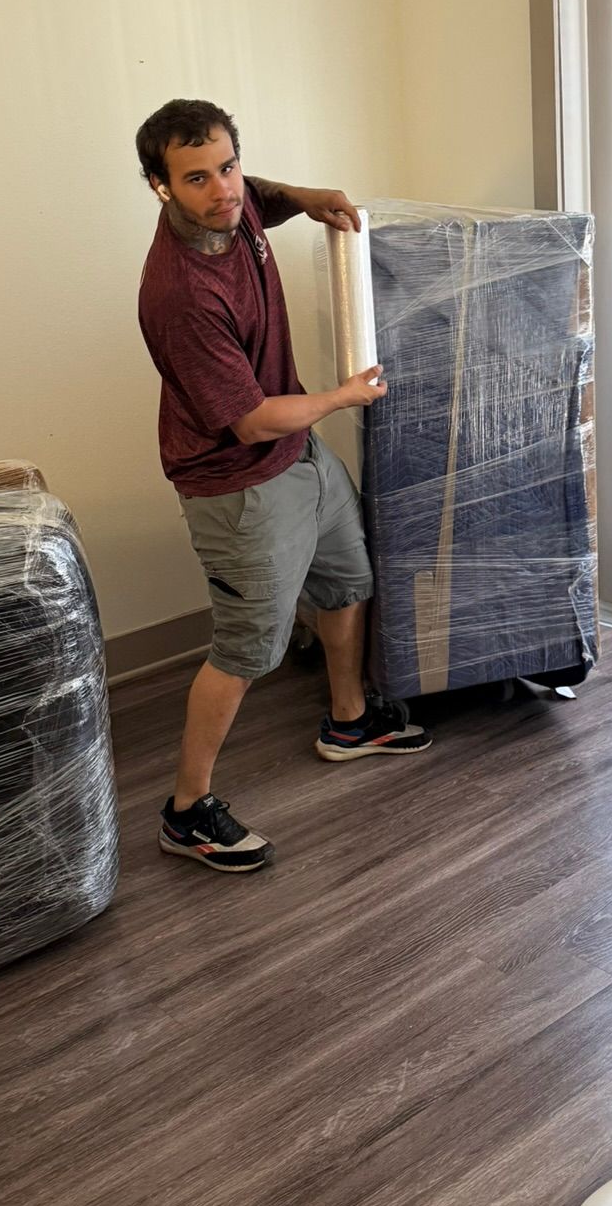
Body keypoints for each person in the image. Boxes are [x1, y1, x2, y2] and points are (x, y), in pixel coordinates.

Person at [135, 97, 431, 875]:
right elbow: (253, 421)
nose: (223, 189)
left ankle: (348, 720)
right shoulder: (181, 296)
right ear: (161, 189)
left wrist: (308, 198)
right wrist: (343, 397)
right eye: (196, 178)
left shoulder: (236, 207)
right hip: (238, 486)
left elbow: (260, 194)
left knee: (346, 582)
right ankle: (185, 810)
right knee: (245, 650)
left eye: (226, 166)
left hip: (298, 457)